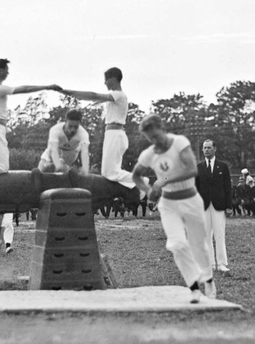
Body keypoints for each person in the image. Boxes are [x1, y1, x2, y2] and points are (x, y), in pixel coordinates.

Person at [131, 114, 215, 303]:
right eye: (150, 139)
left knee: (198, 244)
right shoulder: (149, 154)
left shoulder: (179, 143)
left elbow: (191, 169)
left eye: (156, 136)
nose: (155, 141)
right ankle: (193, 287)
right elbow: (135, 175)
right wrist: (147, 190)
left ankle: (208, 278)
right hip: (168, 205)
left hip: (191, 200)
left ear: (162, 128)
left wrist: (163, 181)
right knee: (177, 244)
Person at [0, 58, 61, 179]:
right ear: (0, 71)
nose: (8, 73)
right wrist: (47, 87)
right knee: (2, 166)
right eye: (6, 70)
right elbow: (23, 89)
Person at [57, 68, 136, 189]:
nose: (105, 83)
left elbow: (93, 95)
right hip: (112, 135)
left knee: (111, 173)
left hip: (116, 135)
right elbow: (94, 100)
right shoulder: (114, 97)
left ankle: (140, 183)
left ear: (113, 79)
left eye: (106, 80)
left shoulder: (119, 95)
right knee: (107, 173)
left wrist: (68, 92)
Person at [196, 139, 232, 273]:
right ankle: (209, 264)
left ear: (215, 149)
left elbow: (228, 187)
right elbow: (195, 189)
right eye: (204, 148)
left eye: (209, 148)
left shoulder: (222, 166)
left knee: (219, 234)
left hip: (219, 205)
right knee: (206, 236)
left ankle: (221, 263)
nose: (206, 150)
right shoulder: (199, 168)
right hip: (203, 206)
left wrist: (229, 206)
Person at [38, 110, 90, 174]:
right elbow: (54, 149)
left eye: (76, 127)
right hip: (55, 151)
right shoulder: (55, 130)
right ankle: (46, 166)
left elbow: (85, 152)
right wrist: (58, 165)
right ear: (65, 122)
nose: (72, 130)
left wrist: (85, 169)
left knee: (61, 171)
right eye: (70, 126)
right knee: (41, 168)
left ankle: (59, 166)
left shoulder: (84, 134)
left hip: (70, 155)